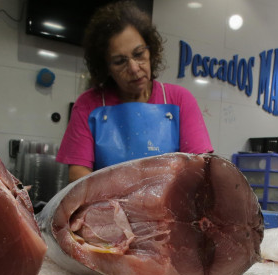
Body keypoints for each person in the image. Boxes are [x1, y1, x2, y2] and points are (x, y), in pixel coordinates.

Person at [56, 1, 212, 183]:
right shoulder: (89, 104)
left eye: (138, 54)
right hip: (107, 208)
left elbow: (200, 170)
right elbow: (78, 177)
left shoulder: (179, 99)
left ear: (151, 51)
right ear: (105, 67)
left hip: (167, 207)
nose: (134, 68)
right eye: (120, 61)